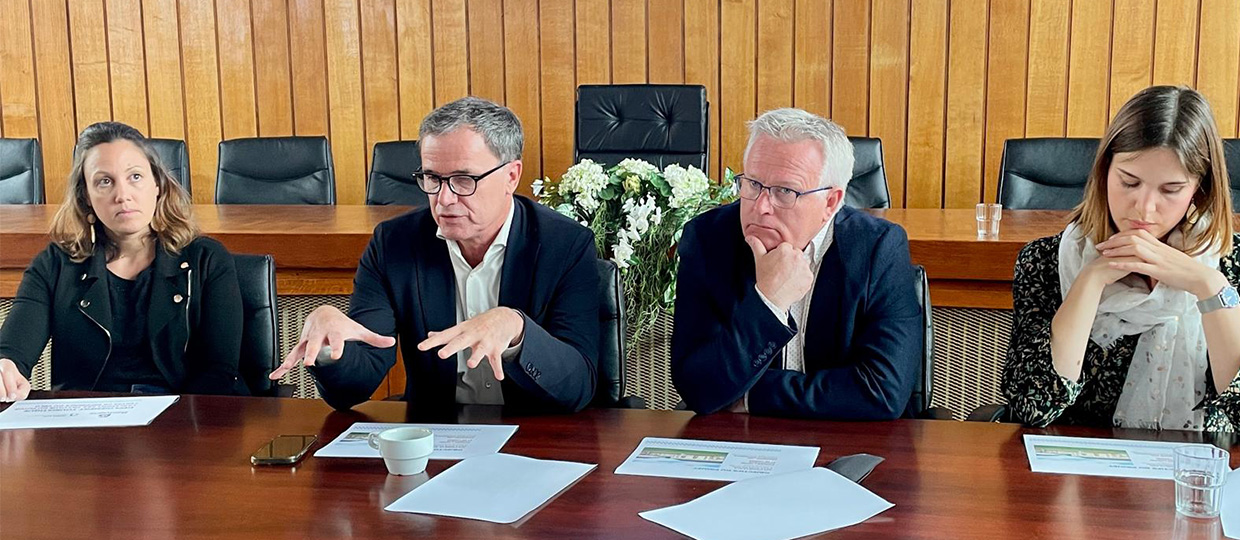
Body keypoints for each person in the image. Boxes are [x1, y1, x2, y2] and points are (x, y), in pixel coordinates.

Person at [270, 97, 599, 412]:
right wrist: (330, 347)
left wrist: (517, 330)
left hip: (536, 434)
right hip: (435, 432)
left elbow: (580, 386)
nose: (443, 199)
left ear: (511, 176)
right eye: (432, 178)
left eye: (463, 180)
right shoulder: (394, 244)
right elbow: (355, 386)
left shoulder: (565, 245)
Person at [1003, 85, 1240, 431]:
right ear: (1104, 171)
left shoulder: (1230, 263)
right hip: (1077, 459)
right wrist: (1090, 281)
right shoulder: (1045, 260)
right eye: (1129, 182)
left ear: (1199, 190)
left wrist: (1209, 285)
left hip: (1197, 462)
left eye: (1170, 190)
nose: (1144, 208)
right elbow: (1033, 407)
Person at [670, 108, 923, 419]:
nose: (761, 206)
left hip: (852, 439)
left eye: (785, 191)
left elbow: (882, 391)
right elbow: (698, 387)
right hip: (739, 439)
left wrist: (748, 396)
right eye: (753, 184)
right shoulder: (709, 239)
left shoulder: (878, 248)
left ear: (830, 202)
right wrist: (769, 303)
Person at [0, 122, 247, 401]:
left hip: (182, 416)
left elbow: (218, 373)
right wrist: (6, 367)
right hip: (86, 417)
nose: (122, 195)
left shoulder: (206, 259)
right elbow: (12, 352)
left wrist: (177, 421)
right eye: (104, 182)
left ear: (157, 184)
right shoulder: (55, 264)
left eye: (135, 176)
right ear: (86, 196)